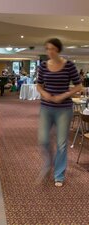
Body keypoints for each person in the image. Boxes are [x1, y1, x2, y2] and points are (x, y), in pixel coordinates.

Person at [37, 38, 82, 187]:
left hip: (64, 109)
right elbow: (39, 85)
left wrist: (63, 96)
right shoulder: (43, 66)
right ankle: (49, 162)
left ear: (58, 49)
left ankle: (59, 174)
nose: (49, 52)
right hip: (46, 107)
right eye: (47, 49)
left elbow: (78, 86)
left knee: (61, 143)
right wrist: (45, 95)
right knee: (43, 139)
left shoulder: (69, 65)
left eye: (52, 49)